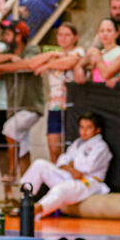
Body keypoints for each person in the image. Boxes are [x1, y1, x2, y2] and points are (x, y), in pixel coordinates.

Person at [20, 112, 113, 218]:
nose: (84, 131)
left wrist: (71, 164)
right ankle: (24, 199)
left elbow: (87, 167)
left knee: (61, 189)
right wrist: (71, 168)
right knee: (39, 164)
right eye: (82, 127)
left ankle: (35, 209)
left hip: (87, 183)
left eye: (88, 128)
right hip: (70, 176)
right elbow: (62, 161)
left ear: (98, 130)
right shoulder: (77, 143)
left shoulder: (101, 147)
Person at [0, 21, 43, 180]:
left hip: (31, 106)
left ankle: (12, 171)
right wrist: (9, 57)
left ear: (19, 36)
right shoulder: (7, 53)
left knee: (9, 130)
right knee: (23, 148)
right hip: (15, 110)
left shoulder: (32, 49)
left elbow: (29, 64)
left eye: (9, 34)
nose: (5, 37)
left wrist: (2, 67)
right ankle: (29, 188)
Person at [30, 22, 84, 163]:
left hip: (71, 106)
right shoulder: (54, 54)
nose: (63, 38)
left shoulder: (79, 52)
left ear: (75, 37)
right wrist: (52, 54)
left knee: (71, 149)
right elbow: (32, 64)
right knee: (54, 149)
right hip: (54, 106)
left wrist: (47, 65)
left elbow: (69, 62)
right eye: (60, 34)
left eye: (67, 35)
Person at [76, 18, 120, 88]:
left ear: (116, 34)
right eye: (102, 31)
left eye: (109, 30)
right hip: (96, 93)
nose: (105, 34)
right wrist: (79, 66)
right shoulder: (99, 52)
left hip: (114, 94)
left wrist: (97, 58)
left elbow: (106, 75)